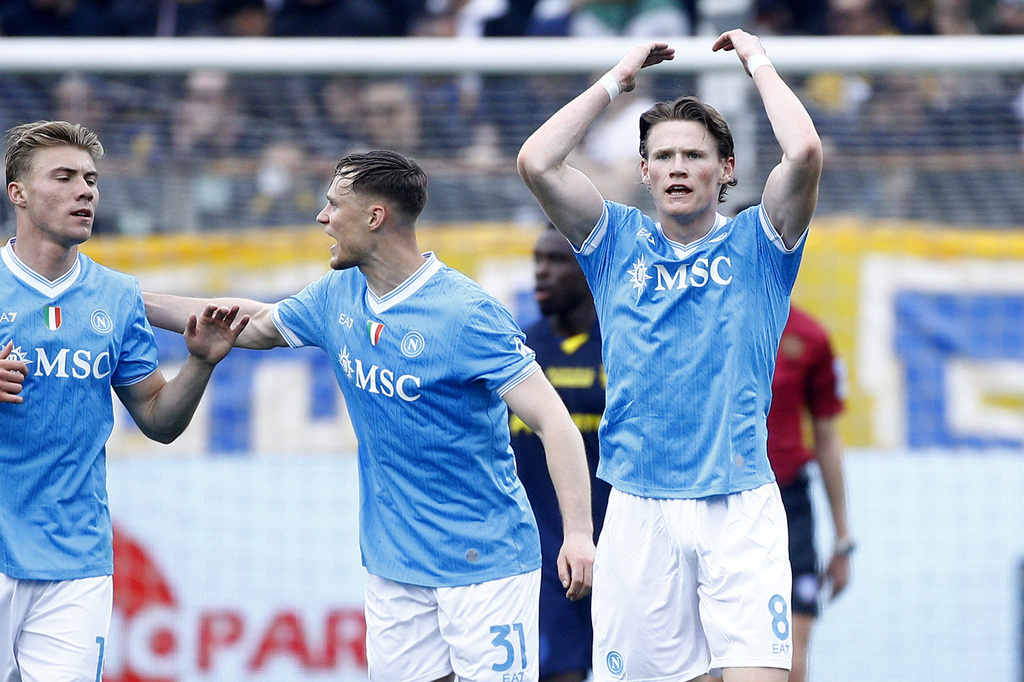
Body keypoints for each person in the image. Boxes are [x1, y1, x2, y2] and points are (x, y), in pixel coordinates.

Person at [144, 149, 596, 682]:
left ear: (374, 217)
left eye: (334, 204)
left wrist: (579, 535)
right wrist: (126, 298)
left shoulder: (466, 314)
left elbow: (553, 422)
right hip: (393, 566)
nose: (322, 217)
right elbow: (251, 320)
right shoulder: (338, 294)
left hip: (485, 565)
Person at [517, 28, 824, 682]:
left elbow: (802, 151)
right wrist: (618, 77)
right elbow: (538, 162)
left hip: (738, 505)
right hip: (635, 507)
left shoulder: (760, 246)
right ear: (645, 172)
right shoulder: (614, 241)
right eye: (664, 156)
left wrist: (758, 63)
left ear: (727, 170)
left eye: (695, 154)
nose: (679, 166)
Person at [0, 119, 247, 680]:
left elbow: (159, 420)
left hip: (75, 559)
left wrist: (201, 363)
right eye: (63, 177)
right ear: (17, 192)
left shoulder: (117, 296)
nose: (84, 190)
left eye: (90, 178)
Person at [510, 226, 611, 682]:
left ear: (588, 272)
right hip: (542, 557)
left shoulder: (624, 349)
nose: (541, 272)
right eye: (537, 261)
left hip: (622, 551)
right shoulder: (514, 353)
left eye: (555, 261)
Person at [768, 305, 853, 682]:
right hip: (720, 497)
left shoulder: (810, 336)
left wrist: (843, 540)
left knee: (790, 663)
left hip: (789, 506)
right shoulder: (708, 316)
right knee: (710, 662)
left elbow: (828, 440)